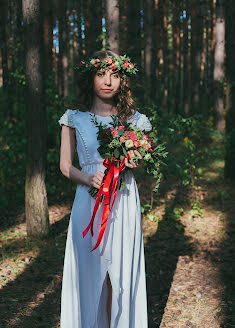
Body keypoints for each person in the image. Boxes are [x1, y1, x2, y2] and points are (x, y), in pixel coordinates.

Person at [58, 50, 152, 328]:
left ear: (123, 79)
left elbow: (143, 164)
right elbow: (65, 166)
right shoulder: (73, 118)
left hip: (123, 201)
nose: (108, 81)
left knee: (121, 272)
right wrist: (88, 179)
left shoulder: (136, 121)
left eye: (114, 74)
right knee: (88, 273)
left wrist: (135, 163)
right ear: (91, 78)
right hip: (88, 202)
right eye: (101, 74)